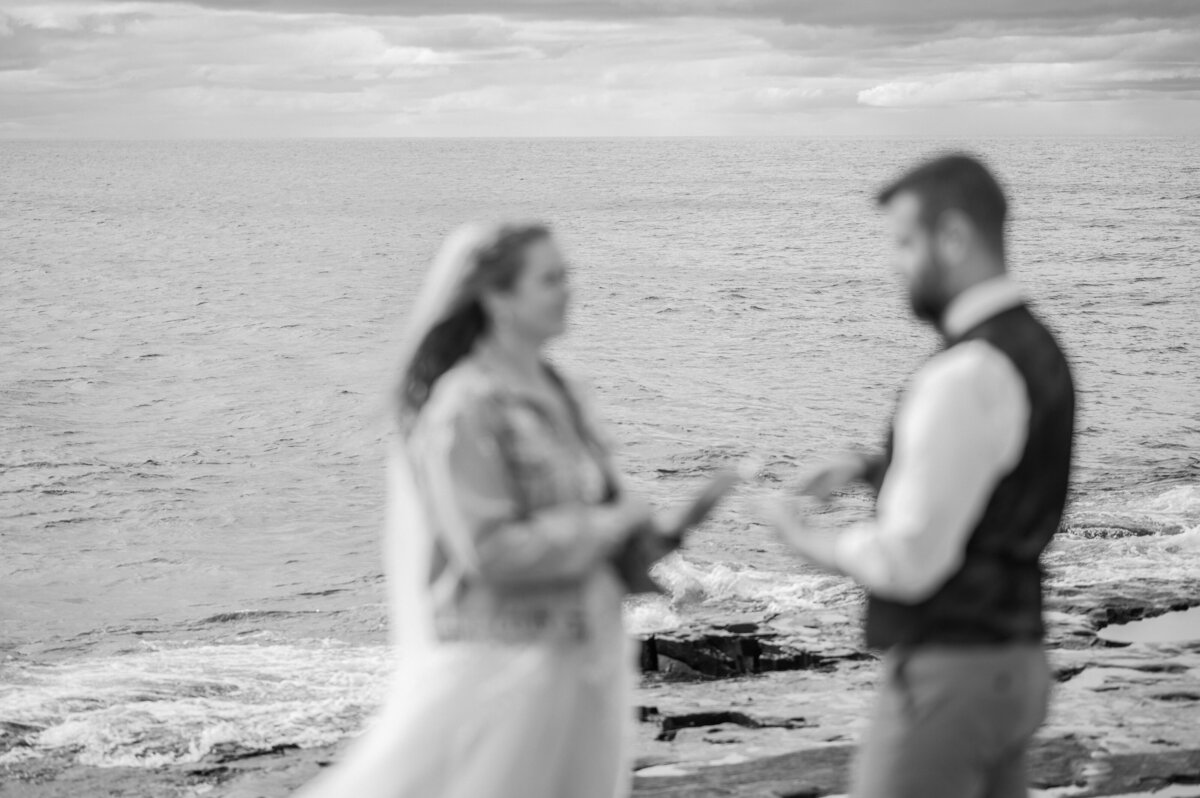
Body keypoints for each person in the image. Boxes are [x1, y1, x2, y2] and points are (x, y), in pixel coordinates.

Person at [293, 222, 677, 798]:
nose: (569, 289)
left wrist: (649, 537)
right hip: (510, 667)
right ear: (497, 298)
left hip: (582, 657)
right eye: (550, 279)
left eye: (567, 274)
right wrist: (608, 526)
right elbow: (490, 551)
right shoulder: (464, 406)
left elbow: (582, 516)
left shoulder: (561, 388)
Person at [761, 154, 1075, 798]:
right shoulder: (1037, 348)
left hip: (948, 679)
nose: (896, 264)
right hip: (1015, 664)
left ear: (953, 238)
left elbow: (909, 561)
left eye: (905, 242)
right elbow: (992, 477)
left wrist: (803, 539)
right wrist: (862, 468)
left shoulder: (960, 373)